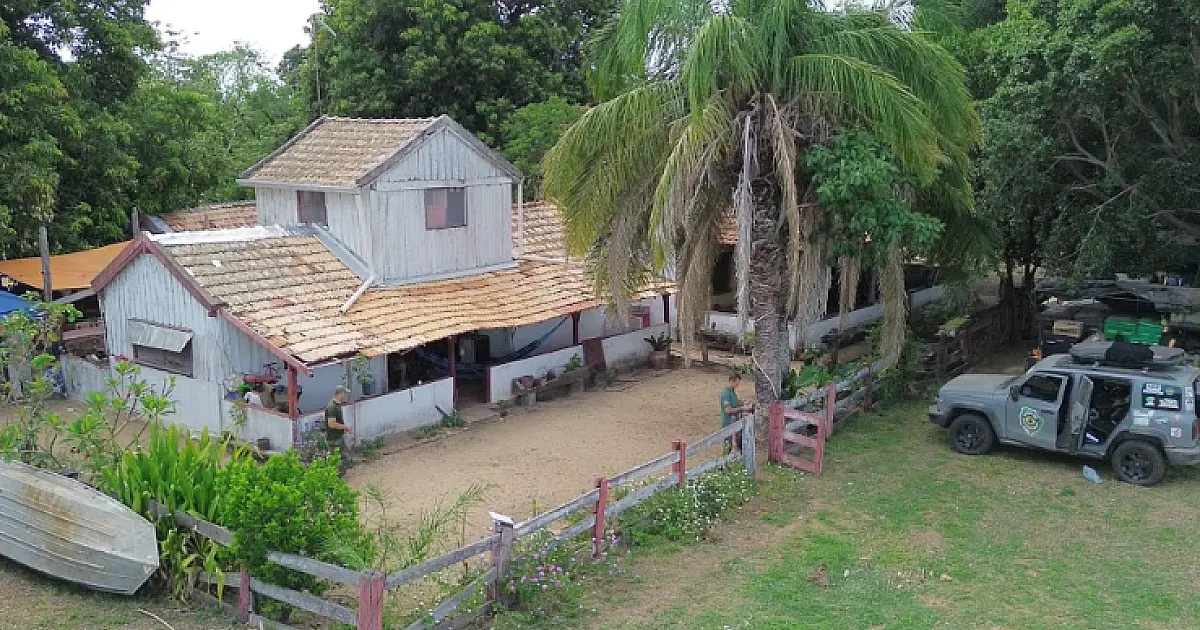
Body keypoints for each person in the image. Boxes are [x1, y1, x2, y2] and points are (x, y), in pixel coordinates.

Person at [720, 372, 754, 453]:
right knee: (728, 444)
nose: (737, 385)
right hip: (728, 422)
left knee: (735, 443)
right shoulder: (725, 393)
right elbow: (728, 410)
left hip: (734, 421)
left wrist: (744, 403)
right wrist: (742, 408)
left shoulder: (731, 391)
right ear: (732, 381)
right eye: (737, 383)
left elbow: (735, 402)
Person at [325, 386, 353, 470]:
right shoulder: (332, 407)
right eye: (345, 394)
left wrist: (344, 428)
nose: (345, 396)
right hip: (334, 438)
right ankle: (337, 476)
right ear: (340, 394)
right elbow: (332, 424)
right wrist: (345, 427)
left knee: (342, 457)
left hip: (337, 437)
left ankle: (337, 475)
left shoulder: (337, 405)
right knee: (339, 459)